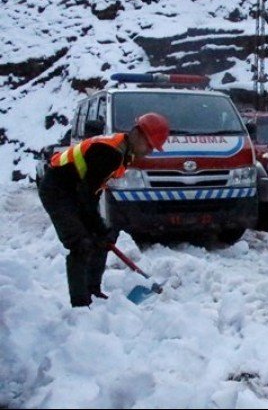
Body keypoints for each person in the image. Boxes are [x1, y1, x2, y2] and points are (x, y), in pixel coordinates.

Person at [38, 112, 170, 307]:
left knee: (102, 240)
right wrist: (98, 226)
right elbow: (86, 195)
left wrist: (100, 230)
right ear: (137, 133)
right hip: (57, 190)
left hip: (73, 190)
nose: (149, 151)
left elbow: (93, 190)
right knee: (80, 243)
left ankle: (93, 291)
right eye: (149, 145)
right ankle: (80, 305)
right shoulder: (110, 153)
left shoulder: (122, 151)